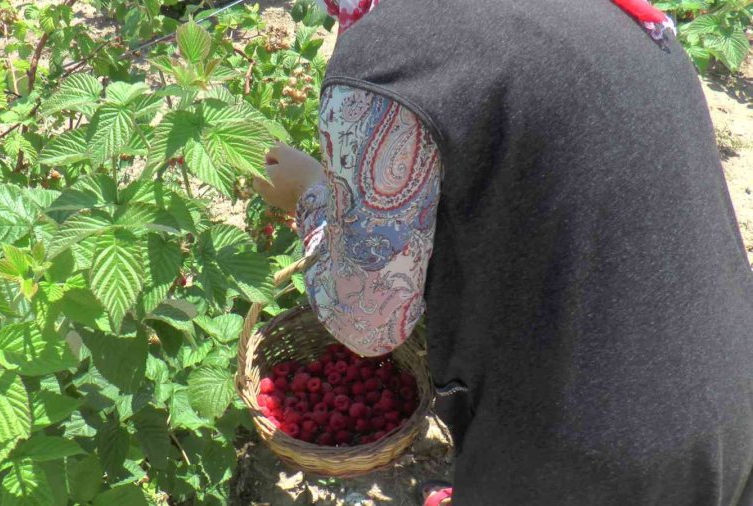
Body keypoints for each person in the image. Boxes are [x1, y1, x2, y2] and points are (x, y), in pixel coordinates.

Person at [253, 0, 753, 504]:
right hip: (732, 389)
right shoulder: (603, 11)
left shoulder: (391, 59)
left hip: (593, 460)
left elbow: (365, 319)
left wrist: (311, 194)